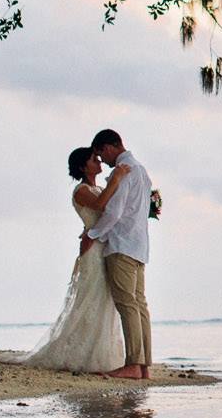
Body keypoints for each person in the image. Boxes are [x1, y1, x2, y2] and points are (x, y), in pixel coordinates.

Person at [15, 146, 131, 373]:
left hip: (103, 244)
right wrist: (116, 179)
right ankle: (82, 352)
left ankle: (101, 351)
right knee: (91, 297)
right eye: (93, 160)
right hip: (93, 250)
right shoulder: (81, 190)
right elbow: (100, 206)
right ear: (82, 166)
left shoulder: (98, 188)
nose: (99, 162)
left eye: (99, 159)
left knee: (105, 299)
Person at [81, 129, 154, 380]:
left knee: (127, 304)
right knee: (140, 304)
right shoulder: (142, 171)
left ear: (110, 147)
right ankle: (144, 367)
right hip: (140, 246)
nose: (103, 160)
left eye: (101, 153)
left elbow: (114, 213)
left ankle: (134, 364)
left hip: (122, 245)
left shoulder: (122, 172)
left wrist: (92, 236)